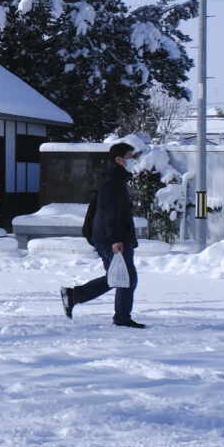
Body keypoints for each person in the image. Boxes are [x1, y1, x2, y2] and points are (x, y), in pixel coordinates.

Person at [61, 141, 146, 329]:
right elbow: (109, 212)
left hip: (108, 237)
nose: (134, 161)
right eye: (131, 157)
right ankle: (122, 318)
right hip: (112, 238)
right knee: (127, 278)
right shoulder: (112, 181)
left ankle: (74, 296)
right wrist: (115, 239)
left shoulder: (115, 178)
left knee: (116, 277)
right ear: (119, 160)